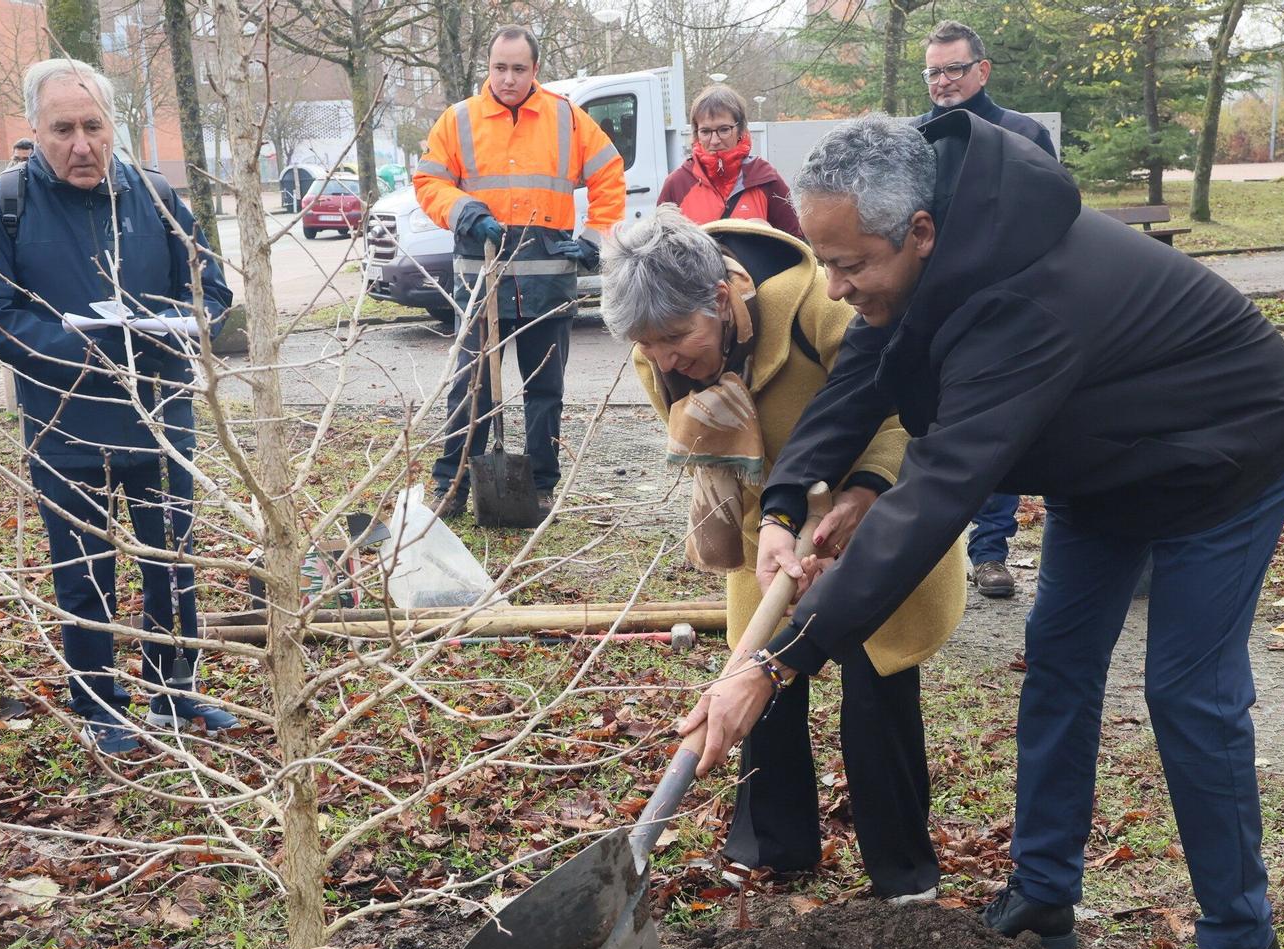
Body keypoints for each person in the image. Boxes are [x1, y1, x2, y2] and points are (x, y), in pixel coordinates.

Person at [678, 114, 1284, 949]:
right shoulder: (913, 264)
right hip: (1106, 465)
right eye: (825, 261)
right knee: (1057, 660)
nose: (833, 285)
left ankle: (1241, 938)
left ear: (921, 233)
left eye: (851, 264)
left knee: (1187, 691)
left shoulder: (1023, 294)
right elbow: (860, 380)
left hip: (1227, 455)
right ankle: (1044, 896)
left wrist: (776, 663)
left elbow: (935, 498)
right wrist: (784, 506)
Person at [603, 211, 964, 900]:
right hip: (763, 526)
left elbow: (906, 415)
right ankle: (774, 846)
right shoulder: (657, 348)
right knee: (758, 687)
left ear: (721, 297)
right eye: (651, 347)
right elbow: (710, 446)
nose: (667, 359)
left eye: (678, 339)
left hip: (876, 510)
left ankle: (902, 872)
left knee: (874, 691)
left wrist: (858, 497)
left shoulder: (819, 308)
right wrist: (775, 528)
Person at [0, 59, 237, 756]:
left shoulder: (154, 195)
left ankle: (175, 688)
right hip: (65, 426)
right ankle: (101, 702)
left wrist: (164, 324)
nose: (81, 144)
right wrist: (84, 349)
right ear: (35, 129)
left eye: (93, 126)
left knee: (172, 559)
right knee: (83, 571)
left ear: (113, 125)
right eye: (63, 129)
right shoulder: (6, 204)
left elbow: (212, 287)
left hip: (161, 417)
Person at [413, 26, 626, 519]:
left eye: (519, 69)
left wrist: (595, 240)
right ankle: (453, 485)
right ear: (488, 67)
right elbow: (429, 182)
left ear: (535, 70)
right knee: (472, 390)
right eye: (500, 68)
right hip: (480, 283)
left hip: (548, 282)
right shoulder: (458, 120)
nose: (508, 78)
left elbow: (609, 174)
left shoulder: (566, 119)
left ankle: (540, 484)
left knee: (544, 391)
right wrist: (465, 211)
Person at [916, 20, 1055, 604]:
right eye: (934, 72)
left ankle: (991, 552)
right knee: (932, 432)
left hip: (1006, 310)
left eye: (954, 69)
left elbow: (1051, 219)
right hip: (937, 311)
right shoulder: (915, 138)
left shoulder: (1022, 135)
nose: (943, 82)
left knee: (1000, 431)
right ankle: (924, 556)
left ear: (982, 70)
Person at [657, 86, 802, 239]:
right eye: (705, 132)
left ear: (740, 130)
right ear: (696, 134)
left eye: (724, 129)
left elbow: (796, 244)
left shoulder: (766, 179)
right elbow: (658, 250)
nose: (715, 140)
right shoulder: (677, 184)